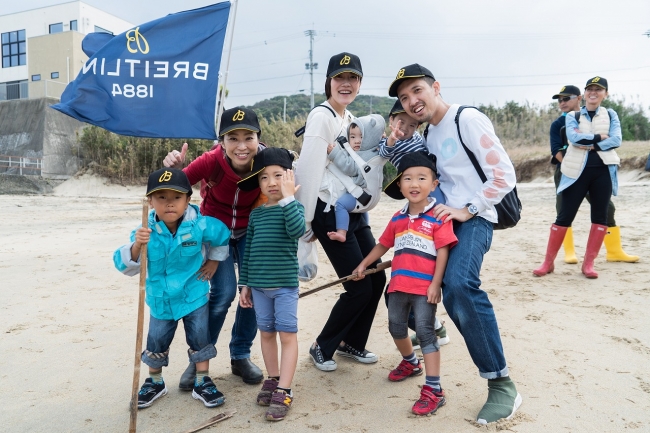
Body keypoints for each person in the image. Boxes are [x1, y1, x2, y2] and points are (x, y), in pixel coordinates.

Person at [389, 63, 521, 424]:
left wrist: (469, 208)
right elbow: (436, 186)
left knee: (460, 284)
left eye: (417, 90)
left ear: (435, 87)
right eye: (404, 97)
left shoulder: (467, 119)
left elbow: (504, 174)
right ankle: (438, 333)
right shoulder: (430, 135)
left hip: (478, 216)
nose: (412, 100)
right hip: (445, 218)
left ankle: (501, 383)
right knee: (411, 283)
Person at [295, 52, 387, 372]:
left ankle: (352, 343)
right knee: (358, 285)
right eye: (340, 77)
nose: (346, 83)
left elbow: (354, 170)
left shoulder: (350, 120)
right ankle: (323, 346)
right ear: (329, 82)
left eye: (353, 78)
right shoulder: (321, 116)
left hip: (352, 209)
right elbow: (308, 168)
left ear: (360, 84)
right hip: (327, 209)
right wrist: (305, 220)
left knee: (376, 278)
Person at [162, 107, 266, 389]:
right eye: (233, 138)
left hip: (250, 231)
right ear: (222, 141)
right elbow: (174, 189)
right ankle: (199, 359)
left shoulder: (265, 163)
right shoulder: (211, 161)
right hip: (214, 233)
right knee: (223, 294)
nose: (242, 146)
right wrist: (172, 169)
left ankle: (240, 355)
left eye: (248, 137)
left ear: (259, 138)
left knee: (254, 292)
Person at [113, 168, 231, 409]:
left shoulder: (199, 225)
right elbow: (124, 263)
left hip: (193, 294)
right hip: (161, 299)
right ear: (150, 201)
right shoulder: (145, 232)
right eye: (161, 198)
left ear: (188, 199)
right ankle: (155, 382)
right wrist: (137, 246)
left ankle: (202, 381)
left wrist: (214, 260)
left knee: (200, 335)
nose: (169, 204)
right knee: (156, 339)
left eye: (176, 197)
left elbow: (222, 235)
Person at [353, 151, 457, 415]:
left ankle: (434, 389)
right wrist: (364, 264)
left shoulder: (439, 217)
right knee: (396, 327)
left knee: (425, 333)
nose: (414, 184)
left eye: (422, 178)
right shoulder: (397, 219)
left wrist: (436, 284)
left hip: (425, 290)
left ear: (434, 184)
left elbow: (443, 251)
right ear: (399, 185)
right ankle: (411, 362)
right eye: (407, 178)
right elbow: (384, 244)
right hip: (398, 286)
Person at [236, 147, 305, 421]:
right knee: (265, 333)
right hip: (259, 287)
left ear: (289, 178)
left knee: (287, 335)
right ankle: (273, 378)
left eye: (279, 175)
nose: (272, 182)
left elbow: (298, 230)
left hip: (285, 286)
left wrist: (289, 199)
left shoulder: (294, 208)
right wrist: (245, 284)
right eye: (264, 178)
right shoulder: (257, 215)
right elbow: (248, 251)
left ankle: (285, 389)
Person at [534, 76, 623, 279]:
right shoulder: (572, 116)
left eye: (598, 90)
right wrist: (600, 137)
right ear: (585, 93)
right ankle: (548, 262)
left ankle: (588, 264)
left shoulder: (610, 114)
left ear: (605, 94)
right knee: (564, 216)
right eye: (590, 89)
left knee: (600, 216)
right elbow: (573, 138)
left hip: (603, 171)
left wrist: (593, 145)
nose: (594, 92)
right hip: (575, 171)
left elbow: (617, 139)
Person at [549, 85, 638, 264]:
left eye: (566, 98)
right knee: (564, 212)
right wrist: (571, 165)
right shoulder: (558, 123)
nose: (562, 103)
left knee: (607, 209)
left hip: (595, 170)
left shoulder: (596, 117)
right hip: (568, 171)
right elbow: (556, 150)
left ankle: (614, 251)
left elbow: (613, 140)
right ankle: (569, 252)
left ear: (579, 98)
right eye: (559, 100)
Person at [326, 114, 386, 242]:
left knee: (341, 204)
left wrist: (335, 154)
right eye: (352, 137)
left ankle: (341, 232)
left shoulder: (364, 156)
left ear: (370, 137)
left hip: (361, 195)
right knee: (362, 212)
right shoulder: (375, 150)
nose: (357, 140)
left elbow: (350, 167)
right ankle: (366, 227)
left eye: (362, 136)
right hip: (370, 195)